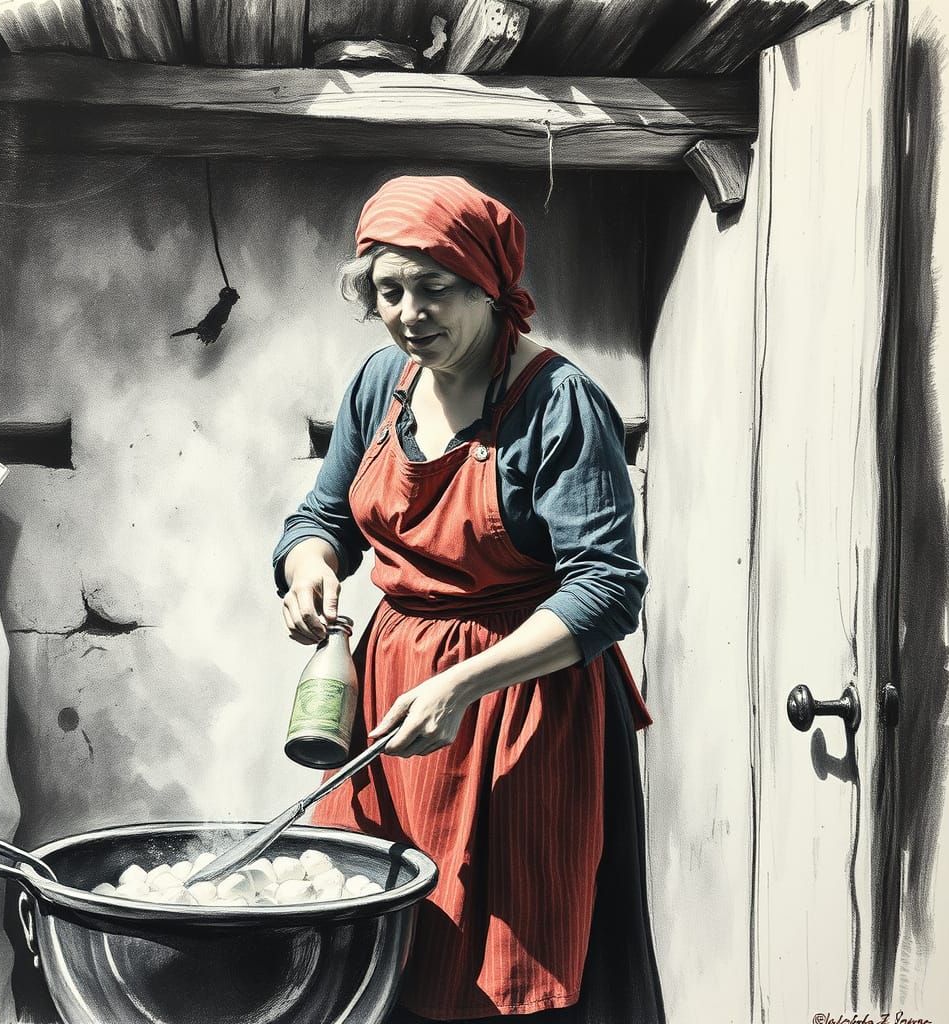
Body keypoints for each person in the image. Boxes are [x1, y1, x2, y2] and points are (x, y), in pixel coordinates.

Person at [272, 175, 665, 1024]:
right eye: (389, 292)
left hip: (523, 712)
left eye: (436, 288)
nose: (411, 313)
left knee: (510, 959)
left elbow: (606, 589)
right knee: (384, 939)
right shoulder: (383, 383)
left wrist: (462, 684)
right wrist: (309, 562)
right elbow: (324, 514)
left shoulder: (558, 402)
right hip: (393, 701)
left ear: (489, 284)